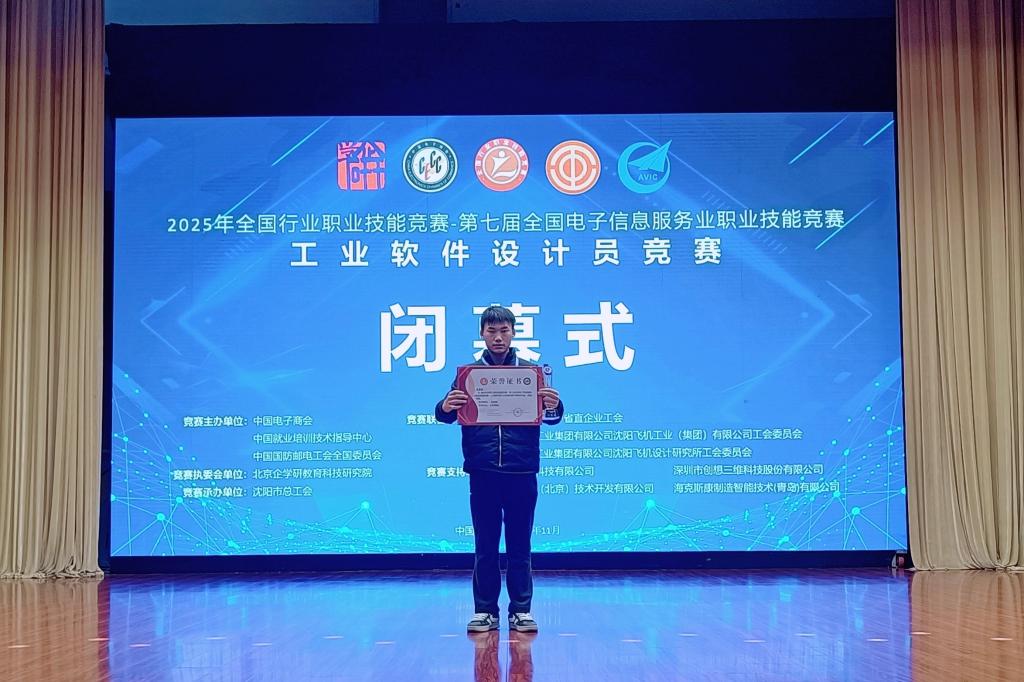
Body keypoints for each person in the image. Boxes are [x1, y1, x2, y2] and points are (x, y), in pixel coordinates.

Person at [435, 305, 563, 633]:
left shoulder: (531, 373)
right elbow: (446, 413)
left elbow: (552, 417)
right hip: (483, 471)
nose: (498, 337)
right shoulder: (470, 375)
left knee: (520, 546)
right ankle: (485, 611)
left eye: (504, 330)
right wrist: (445, 405)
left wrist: (554, 404)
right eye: (491, 331)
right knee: (486, 546)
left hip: (522, 471)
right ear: (482, 333)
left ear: (514, 333)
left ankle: (521, 610)